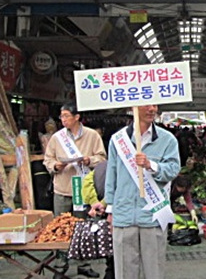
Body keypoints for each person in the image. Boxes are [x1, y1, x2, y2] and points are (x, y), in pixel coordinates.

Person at [104, 104, 180, 279]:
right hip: (123, 214)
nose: (152, 109)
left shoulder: (167, 140)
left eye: (155, 105)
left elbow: (173, 169)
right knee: (124, 271)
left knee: (154, 270)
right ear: (134, 107)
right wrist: (110, 209)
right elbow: (111, 175)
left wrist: (151, 165)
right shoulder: (118, 139)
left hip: (153, 215)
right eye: (147, 104)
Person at [43, 102, 107, 278]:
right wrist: (56, 165)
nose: (63, 120)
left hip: (83, 189)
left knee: (83, 228)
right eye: (61, 117)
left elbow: (102, 158)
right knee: (61, 228)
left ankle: (83, 264)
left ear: (77, 117)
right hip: (62, 188)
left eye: (66, 116)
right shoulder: (57, 138)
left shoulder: (92, 135)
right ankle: (60, 264)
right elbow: (47, 160)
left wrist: (89, 161)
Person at [82, 160, 115, 279]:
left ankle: (110, 270)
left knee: (109, 246)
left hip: (102, 210)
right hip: (116, 211)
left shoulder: (99, 167)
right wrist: (102, 204)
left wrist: (94, 202)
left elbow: (87, 184)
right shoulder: (121, 167)